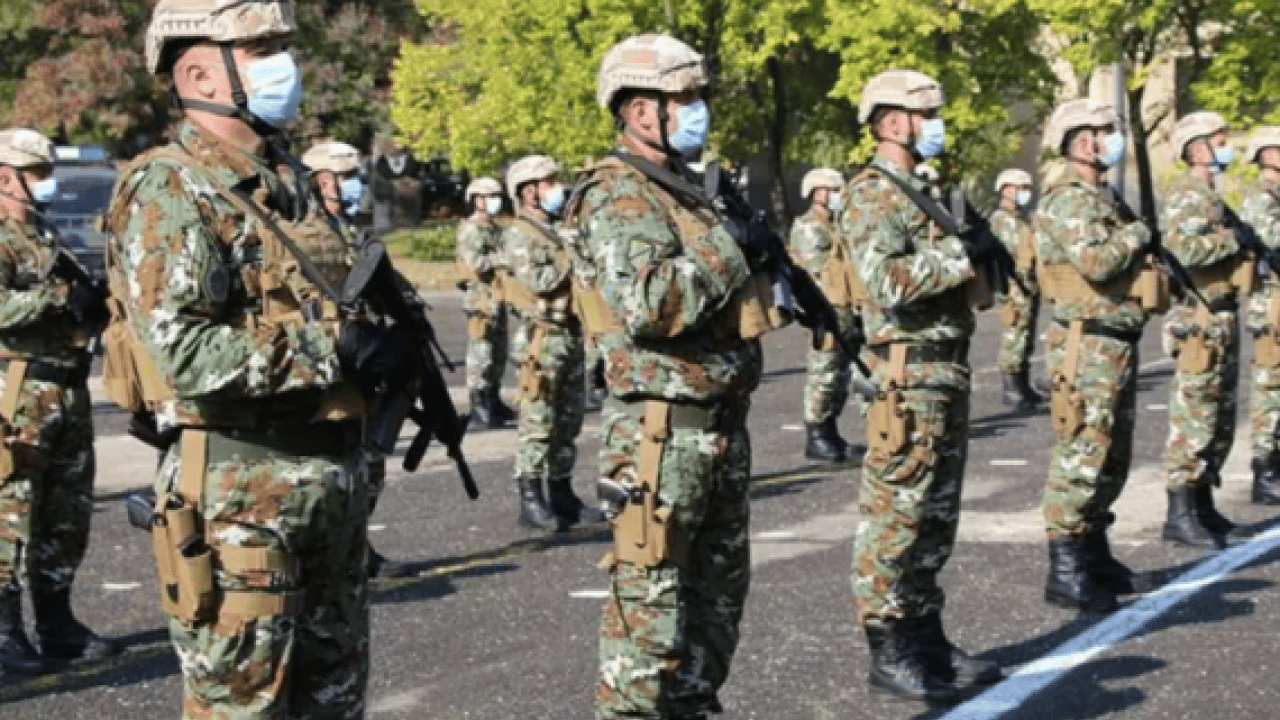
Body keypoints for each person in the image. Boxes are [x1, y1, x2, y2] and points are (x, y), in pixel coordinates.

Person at [102, 0, 397, 714]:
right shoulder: (169, 187)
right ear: (201, 70)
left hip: (327, 488)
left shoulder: (291, 181)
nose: (283, 65)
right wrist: (332, 345)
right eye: (261, 48)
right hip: (240, 500)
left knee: (333, 703)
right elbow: (183, 353)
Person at [567, 34, 773, 720]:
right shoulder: (616, 192)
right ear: (636, 109)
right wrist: (730, 247)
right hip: (659, 439)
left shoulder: (688, 193)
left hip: (719, 430)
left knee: (714, 621)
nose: (697, 110)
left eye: (697, 97)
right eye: (681, 98)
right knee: (647, 635)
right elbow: (650, 305)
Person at [843, 69, 1001, 702]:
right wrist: (962, 255)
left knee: (934, 519)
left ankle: (925, 633)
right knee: (895, 517)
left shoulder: (925, 191)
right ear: (890, 123)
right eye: (924, 113)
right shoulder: (871, 193)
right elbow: (885, 280)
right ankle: (887, 646)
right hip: (906, 374)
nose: (936, 123)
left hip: (944, 367)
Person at [0, 128, 119, 675]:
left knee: (65, 513)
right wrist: (58, 297)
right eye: (36, 176)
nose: (46, 186)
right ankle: (4, 633)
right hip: (17, 391)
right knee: (11, 511)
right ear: (6, 177)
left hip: (66, 389)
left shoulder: (46, 234)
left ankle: (56, 623)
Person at [1034, 99, 1159, 613]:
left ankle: (1094, 554)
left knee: (1111, 458)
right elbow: (1096, 261)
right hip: (1086, 345)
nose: (1112, 140)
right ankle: (1065, 569)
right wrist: (1139, 232)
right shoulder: (1067, 199)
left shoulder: (1101, 197)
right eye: (1104, 132)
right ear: (1081, 141)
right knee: (1082, 456)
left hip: (1114, 341)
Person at [301, 139, 410, 580]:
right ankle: (335, 551)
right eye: (347, 177)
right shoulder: (306, 235)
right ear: (322, 181)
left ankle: (357, 545)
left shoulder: (351, 231)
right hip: (334, 363)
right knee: (335, 466)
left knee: (370, 461)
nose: (355, 184)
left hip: (366, 362)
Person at [1161, 112, 1251, 548]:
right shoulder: (1186, 193)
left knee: (1217, 417)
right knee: (1193, 417)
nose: (1225, 144)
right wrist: (1232, 241)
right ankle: (1179, 512)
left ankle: (1202, 503)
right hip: (1198, 318)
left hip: (1221, 315)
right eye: (1219, 138)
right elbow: (1181, 249)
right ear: (1197, 148)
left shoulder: (1211, 195)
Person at [502, 155, 592, 530]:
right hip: (541, 338)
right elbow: (539, 281)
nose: (558, 189)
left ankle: (562, 492)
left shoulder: (557, 230)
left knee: (568, 419)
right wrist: (571, 253)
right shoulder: (520, 234)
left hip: (569, 332)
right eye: (548, 182)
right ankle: (531, 497)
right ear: (528, 192)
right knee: (538, 420)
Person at [789, 167, 860, 462]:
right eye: (834, 191)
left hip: (844, 306)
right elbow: (814, 276)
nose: (839, 197)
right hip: (826, 309)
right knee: (824, 372)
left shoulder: (834, 225)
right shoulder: (809, 228)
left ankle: (830, 431)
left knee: (840, 374)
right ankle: (816, 434)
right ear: (818, 193)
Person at [1239, 127, 1280, 506]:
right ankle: (1265, 470)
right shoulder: (1261, 201)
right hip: (1271, 306)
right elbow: (1272, 238)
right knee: (1270, 388)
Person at [456, 176, 516, 429]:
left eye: (496, 196)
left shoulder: (494, 229)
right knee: (480, 354)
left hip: (497, 296)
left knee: (498, 351)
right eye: (489, 196)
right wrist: (502, 260)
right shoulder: (471, 230)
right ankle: (478, 404)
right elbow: (475, 264)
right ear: (476, 200)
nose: (495, 201)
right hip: (480, 299)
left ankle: (493, 398)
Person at [990, 168, 1044, 411]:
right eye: (1021, 188)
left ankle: (1023, 385)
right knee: (1014, 334)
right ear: (1006, 190)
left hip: (1028, 283)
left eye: (1027, 188)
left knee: (1026, 334)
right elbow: (1013, 249)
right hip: (1013, 284)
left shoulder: (1023, 218)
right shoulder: (1001, 220)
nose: (1026, 193)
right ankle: (1011, 388)